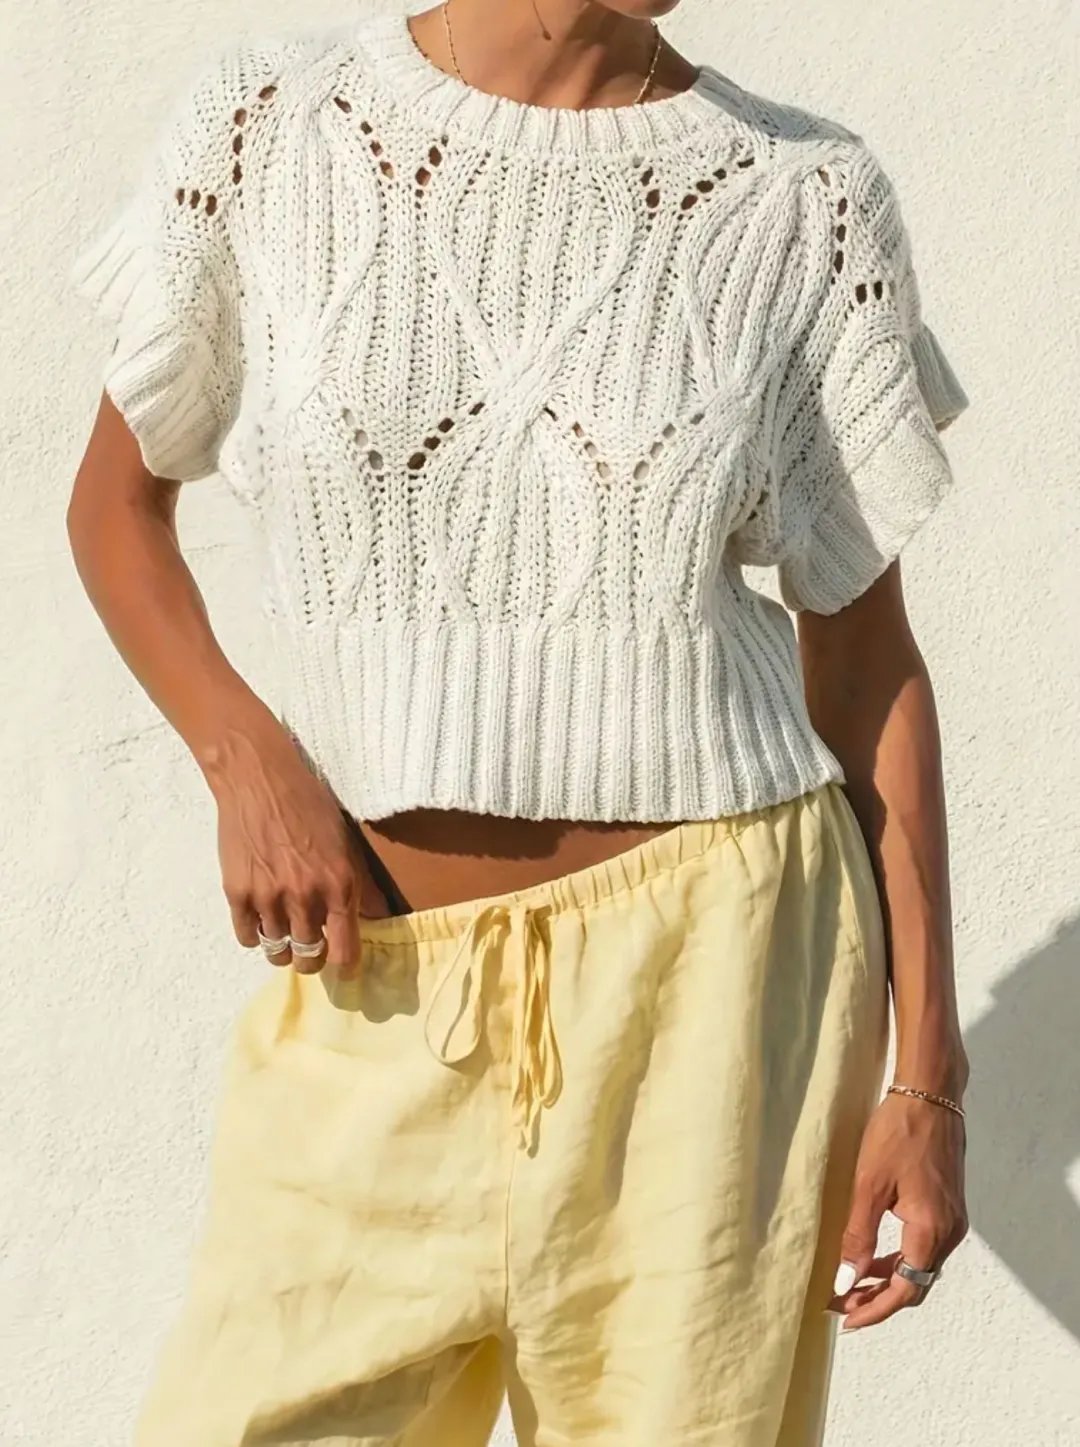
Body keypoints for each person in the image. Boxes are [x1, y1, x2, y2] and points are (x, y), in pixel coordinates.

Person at [65, 2, 972, 1443]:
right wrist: (247, 759)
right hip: (373, 982)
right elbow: (116, 510)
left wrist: (930, 1074)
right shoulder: (273, 123)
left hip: (715, 995)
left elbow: (866, 668)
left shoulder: (806, 195)